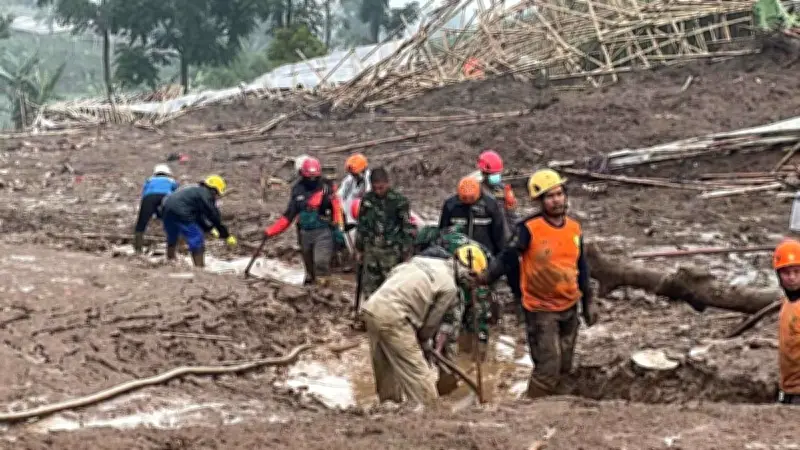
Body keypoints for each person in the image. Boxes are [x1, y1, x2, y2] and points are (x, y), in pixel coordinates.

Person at [476, 168, 597, 398]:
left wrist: (589, 301)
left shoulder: (574, 228)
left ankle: (558, 407)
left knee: (565, 365)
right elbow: (507, 257)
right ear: (540, 201)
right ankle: (531, 407)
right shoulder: (528, 229)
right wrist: (486, 277)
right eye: (550, 196)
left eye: (559, 194)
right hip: (541, 310)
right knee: (547, 368)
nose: (556, 200)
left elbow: (581, 267)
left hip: (569, 305)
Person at [360, 243, 484, 407]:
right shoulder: (449, 287)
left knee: (385, 366)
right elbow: (431, 323)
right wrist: (424, 342)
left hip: (372, 308)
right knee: (417, 372)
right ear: (466, 269)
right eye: (471, 276)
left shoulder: (422, 261)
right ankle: (430, 408)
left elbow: (394, 273)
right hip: (395, 317)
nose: (470, 281)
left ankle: (388, 405)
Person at [264, 156, 343, 286]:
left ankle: (324, 288)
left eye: (314, 177)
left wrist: (339, 228)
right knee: (310, 267)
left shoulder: (327, 187)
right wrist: (271, 231)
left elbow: (336, 209)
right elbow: (289, 215)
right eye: (309, 178)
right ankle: (311, 289)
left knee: (321, 262)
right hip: (305, 233)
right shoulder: (297, 190)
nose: (312, 180)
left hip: (323, 231)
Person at [355, 167, 415, 300]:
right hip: (371, 249)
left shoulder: (399, 201)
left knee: (392, 287)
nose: (378, 191)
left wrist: (407, 252)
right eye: (375, 188)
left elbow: (407, 227)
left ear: (387, 183)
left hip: (391, 251)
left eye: (381, 188)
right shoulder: (367, 199)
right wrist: (359, 249)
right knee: (370, 288)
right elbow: (362, 225)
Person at [160, 175, 237, 267]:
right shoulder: (205, 194)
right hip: (181, 211)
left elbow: (198, 216)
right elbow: (213, 215)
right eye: (217, 195)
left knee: (173, 234)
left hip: (166, 209)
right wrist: (226, 235)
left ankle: (170, 259)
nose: (216, 198)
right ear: (214, 190)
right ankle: (199, 267)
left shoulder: (195, 191)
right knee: (196, 236)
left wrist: (209, 228)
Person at [439, 176, 505, 257]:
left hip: (484, 254)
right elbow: (443, 230)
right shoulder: (450, 205)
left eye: (471, 198)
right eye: (464, 198)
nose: (468, 200)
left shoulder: (490, 205)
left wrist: (501, 255)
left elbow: (499, 233)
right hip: (457, 253)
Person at [773, 239, 800, 405]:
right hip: (788, 389)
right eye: (786, 273)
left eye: (797, 272)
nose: (792, 278)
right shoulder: (786, 303)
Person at [134, 164, 178, 253]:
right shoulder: (172, 181)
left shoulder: (149, 180)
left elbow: (144, 193)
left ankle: (138, 249)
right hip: (166, 196)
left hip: (149, 198)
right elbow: (176, 195)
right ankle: (172, 250)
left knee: (141, 224)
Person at [338, 153, 371, 228]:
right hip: (348, 220)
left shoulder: (370, 180)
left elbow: (369, 194)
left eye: (355, 174)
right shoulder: (349, 180)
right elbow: (340, 194)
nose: (353, 176)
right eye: (352, 174)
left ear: (363, 171)